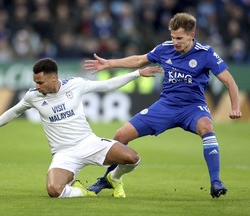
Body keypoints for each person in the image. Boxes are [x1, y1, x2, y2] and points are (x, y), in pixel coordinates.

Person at [84, 12, 242, 198]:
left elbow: (230, 82)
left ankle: (216, 182)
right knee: (120, 135)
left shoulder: (205, 53)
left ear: (192, 36)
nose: (175, 42)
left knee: (207, 127)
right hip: (166, 106)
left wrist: (235, 107)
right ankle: (107, 179)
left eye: (179, 38)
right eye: (173, 37)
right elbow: (138, 60)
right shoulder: (164, 49)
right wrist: (109, 63)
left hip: (192, 107)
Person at [0, 58, 161, 198]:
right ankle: (82, 191)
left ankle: (114, 178)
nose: (37, 86)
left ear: (53, 78)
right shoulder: (33, 96)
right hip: (64, 153)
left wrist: (136, 73)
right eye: (35, 82)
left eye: (40, 82)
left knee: (132, 158)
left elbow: (107, 85)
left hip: (89, 143)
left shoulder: (75, 85)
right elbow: (14, 112)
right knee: (54, 191)